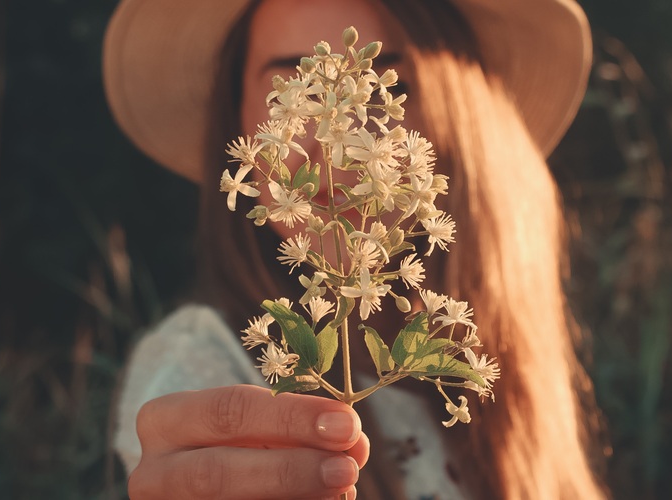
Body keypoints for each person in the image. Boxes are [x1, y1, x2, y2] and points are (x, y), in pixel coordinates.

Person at [103, 0, 605, 498]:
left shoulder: (502, 363)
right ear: (239, 126)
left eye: (392, 90)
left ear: (461, 116)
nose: (336, 142)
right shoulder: (205, 365)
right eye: (293, 95)